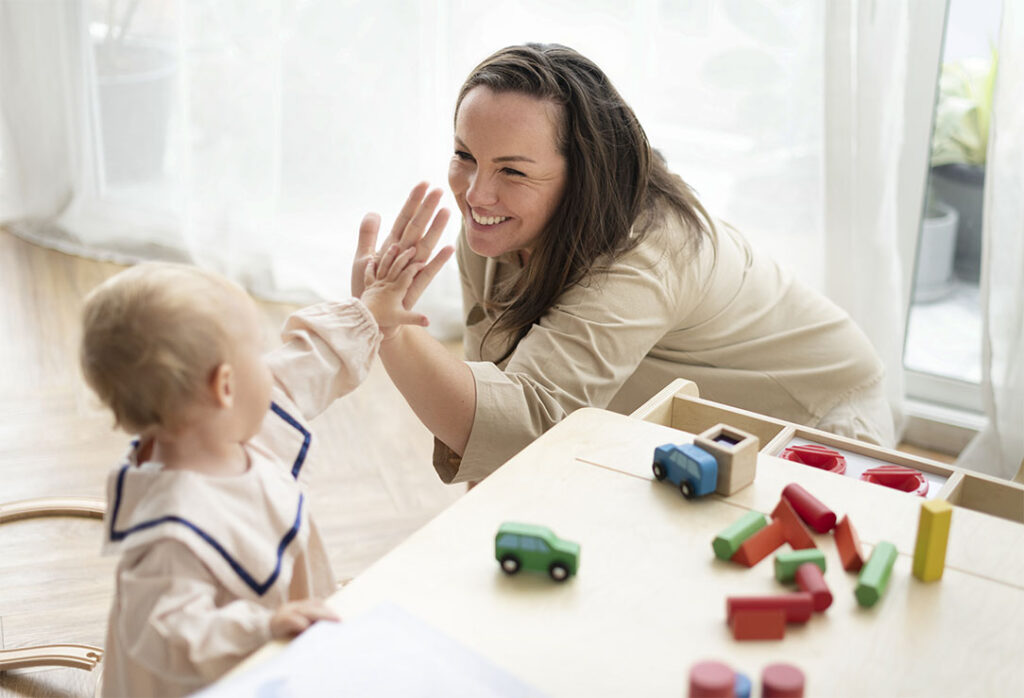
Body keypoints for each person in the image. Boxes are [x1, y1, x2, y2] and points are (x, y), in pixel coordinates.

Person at [353, 43, 894, 486]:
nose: (476, 194)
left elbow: (524, 426)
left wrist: (392, 331)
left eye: (512, 171)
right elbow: (495, 393)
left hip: (815, 416)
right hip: (681, 423)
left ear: (583, 173)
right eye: (465, 155)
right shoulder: (493, 226)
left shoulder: (649, 253)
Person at [80, 244, 447, 697]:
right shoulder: (170, 532)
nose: (270, 361)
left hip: (290, 639)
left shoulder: (224, 422)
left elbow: (307, 360)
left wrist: (370, 311)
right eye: (257, 350)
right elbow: (169, 634)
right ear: (226, 386)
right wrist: (261, 628)